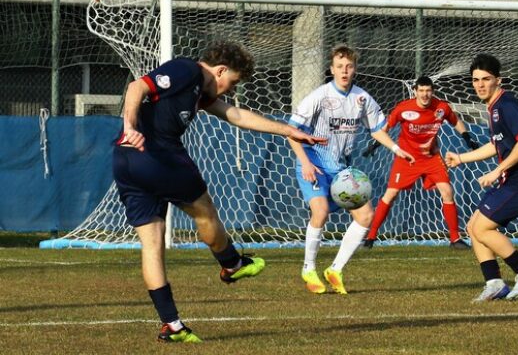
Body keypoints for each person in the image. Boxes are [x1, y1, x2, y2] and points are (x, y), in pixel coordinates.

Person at [113, 41, 327, 343]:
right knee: (205, 211)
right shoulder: (187, 70)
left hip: (125, 161)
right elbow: (137, 87)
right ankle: (231, 264)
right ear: (220, 70)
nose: (229, 89)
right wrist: (130, 127)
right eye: (232, 82)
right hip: (157, 154)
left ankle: (172, 325)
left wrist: (287, 130)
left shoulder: (198, 92)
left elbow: (235, 116)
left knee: (152, 244)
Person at [288, 44, 413, 295]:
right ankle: (308, 268)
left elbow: (377, 129)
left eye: (349, 66)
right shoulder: (319, 96)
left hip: (342, 170)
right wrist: (305, 163)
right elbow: (292, 132)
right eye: (339, 67)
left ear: (354, 69)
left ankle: (335, 269)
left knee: (366, 216)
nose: (344, 71)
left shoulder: (362, 98)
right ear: (331, 69)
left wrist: (396, 149)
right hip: (315, 165)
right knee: (320, 211)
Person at [445, 53, 518, 302]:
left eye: (486, 79)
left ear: (498, 80)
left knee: (482, 227)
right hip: (512, 181)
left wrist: (497, 170)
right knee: (472, 227)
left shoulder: (507, 106)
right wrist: (461, 158)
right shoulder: (493, 107)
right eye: (475, 79)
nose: (480, 84)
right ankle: (495, 283)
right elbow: (496, 145)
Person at [362, 76, 478, 249]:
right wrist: (374, 145)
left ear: (432, 91)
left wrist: (467, 137)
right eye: (421, 91)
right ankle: (371, 238)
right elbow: (385, 129)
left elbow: (455, 121)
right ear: (415, 91)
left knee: (447, 191)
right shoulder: (403, 108)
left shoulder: (441, 107)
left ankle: (455, 239)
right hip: (406, 158)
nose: (425, 94)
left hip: (431, 158)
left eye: (428, 91)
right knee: (391, 194)